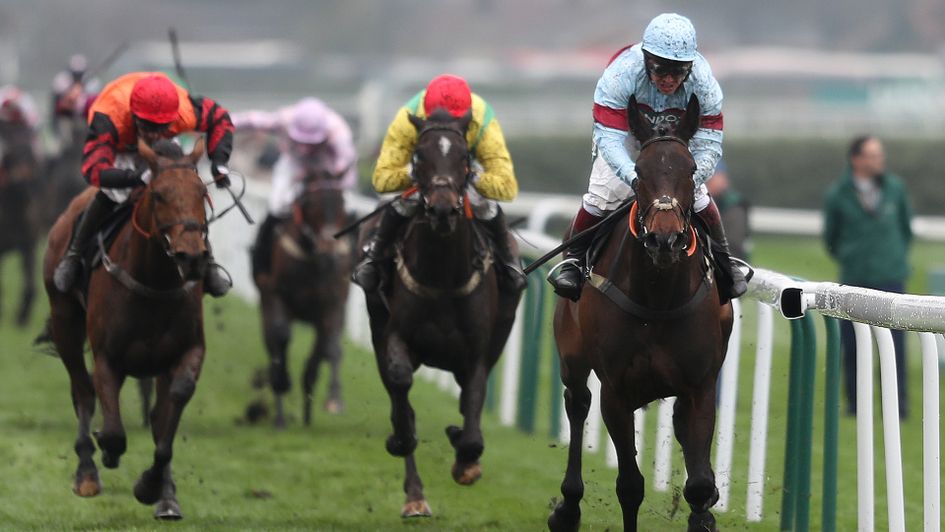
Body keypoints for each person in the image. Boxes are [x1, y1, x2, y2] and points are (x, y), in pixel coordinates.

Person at [546, 13, 747, 302]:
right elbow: (610, 139)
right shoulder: (619, 75)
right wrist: (633, 176)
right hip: (624, 137)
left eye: (678, 72)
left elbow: (710, 143)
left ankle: (726, 265)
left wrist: (691, 178)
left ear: (690, 67)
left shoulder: (705, 83)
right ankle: (573, 263)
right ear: (645, 60)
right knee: (604, 193)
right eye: (660, 69)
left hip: (675, 143)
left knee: (700, 197)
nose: (669, 79)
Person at [52, 72, 235, 297]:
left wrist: (219, 161)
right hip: (124, 144)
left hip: (166, 143)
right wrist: (134, 178)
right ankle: (74, 254)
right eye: (148, 125)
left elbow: (221, 119)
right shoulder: (109, 116)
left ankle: (209, 263)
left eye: (161, 126)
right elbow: (93, 170)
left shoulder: (185, 110)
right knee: (115, 194)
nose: (154, 134)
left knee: (184, 188)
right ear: (134, 115)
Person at [351, 74, 525, 292]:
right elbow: (382, 179)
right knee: (401, 203)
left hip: (463, 173)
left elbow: (506, 187)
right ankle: (373, 259)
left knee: (486, 206)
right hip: (424, 175)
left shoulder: (482, 117)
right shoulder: (408, 118)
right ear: (426, 112)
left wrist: (470, 176)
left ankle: (509, 264)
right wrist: (419, 175)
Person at [823, 135, 913, 418]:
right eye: (873, 155)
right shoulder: (838, 194)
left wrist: (892, 258)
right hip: (855, 278)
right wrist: (853, 258)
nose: (879, 160)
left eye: (880, 154)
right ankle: (855, 404)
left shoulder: (895, 189)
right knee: (854, 345)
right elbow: (831, 238)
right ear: (856, 159)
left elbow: (906, 229)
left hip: (890, 277)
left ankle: (898, 406)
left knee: (896, 347)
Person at [232, 97, 357, 277]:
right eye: (302, 140)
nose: (306, 147)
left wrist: (329, 185)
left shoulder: (339, 132)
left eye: (311, 142)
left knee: (349, 207)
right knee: (278, 205)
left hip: (327, 166)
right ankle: (261, 258)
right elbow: (252, 121)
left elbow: (346, 167)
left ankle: (355, 261)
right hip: (294, 163)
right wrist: (217, 121)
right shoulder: (284, 119)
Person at [49, 54, 99, 150]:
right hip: (66, 119)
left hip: (84, 120)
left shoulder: (91, 82)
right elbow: (55, 108)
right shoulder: (62, 82)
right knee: (63, 143)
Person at [705, 159, 751, 260]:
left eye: (711, 177)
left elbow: (732, 247)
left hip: (732, 266)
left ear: (724, 179)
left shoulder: (733, 207)